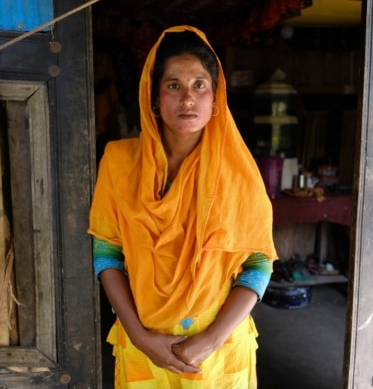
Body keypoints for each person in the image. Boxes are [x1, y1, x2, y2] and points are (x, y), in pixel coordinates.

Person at [88, 25, 277, 388]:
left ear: (215, 98)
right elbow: (107, 254)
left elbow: (258, 262)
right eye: (173, 85)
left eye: (199, 85)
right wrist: (142, 338)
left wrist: (211, 339)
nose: (187, 98)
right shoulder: (119, 162)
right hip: (142, 345)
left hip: (219, 351)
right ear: (154, 98)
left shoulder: (238, 172)